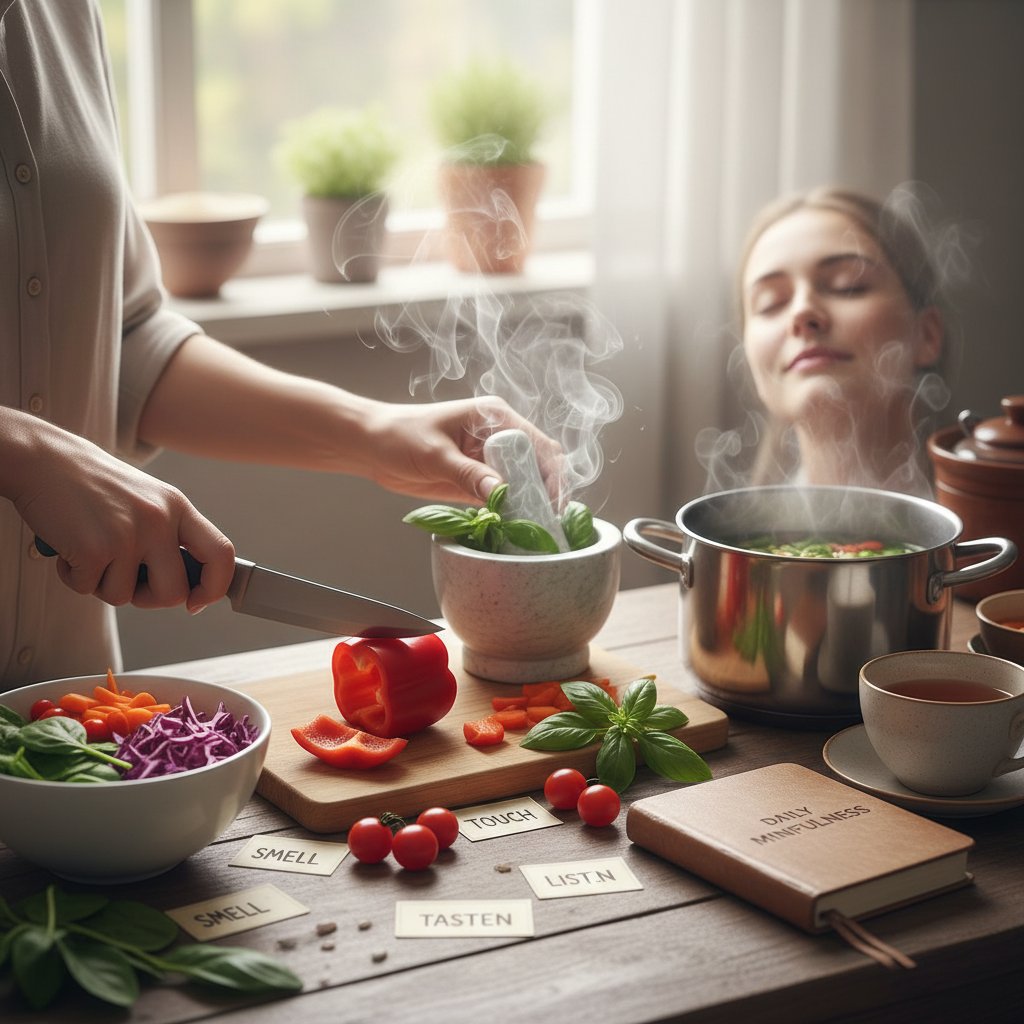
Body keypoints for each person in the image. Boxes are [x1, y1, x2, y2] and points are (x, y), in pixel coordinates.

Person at [0, 2, 558, 687]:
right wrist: (20, 452)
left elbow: (122, 339)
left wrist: (376, 432)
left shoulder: (58, 15)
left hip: (66, 711)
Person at [736, 186, 947, 495]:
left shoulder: (997, 528)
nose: (803, 311)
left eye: (849, 286)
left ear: (926, 335)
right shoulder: (738, 540)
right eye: (771, 302)